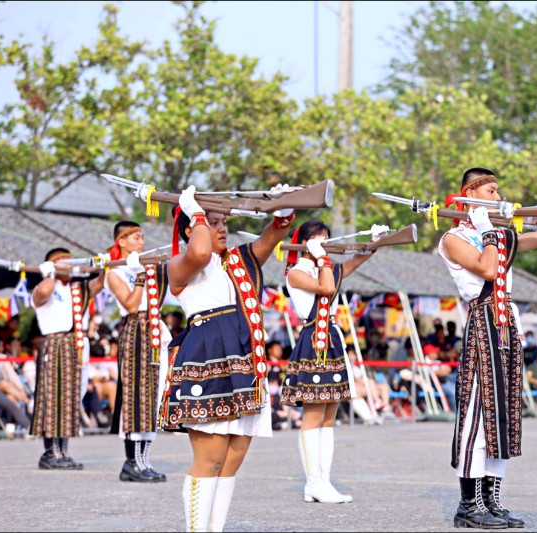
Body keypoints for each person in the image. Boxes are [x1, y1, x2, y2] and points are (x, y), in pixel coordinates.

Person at [156, 184, 294, 532]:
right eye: (211, 222)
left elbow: (274, 234)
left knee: (233, 458)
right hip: (207, 358)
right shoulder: (178, 264)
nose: (220, 228)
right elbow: (200, 253)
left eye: (223, 222)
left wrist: (281, 209)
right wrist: (195, 211)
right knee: (210, 458)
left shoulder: (238, 261)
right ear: (190, 228)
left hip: (243, 360)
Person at [440, 167, 537, 529]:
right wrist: (489, 229)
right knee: (476, 414)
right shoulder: (453, 237)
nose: (497, 196)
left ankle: (492, 500)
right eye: (490, 190)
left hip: (506, 323)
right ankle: (468, 505)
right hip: (483, 320)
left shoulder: (499, 234)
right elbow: (488, 269)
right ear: (470, 193)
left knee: (502, 415)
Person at [280, 218, 385, 503]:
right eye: (318, 238)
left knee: (329, 416)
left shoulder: (322, 267)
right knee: (313, 416)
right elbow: (326, 289)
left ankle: (322, 481)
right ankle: (314, 481)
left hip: (331, 337)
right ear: (305, 243)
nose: (324, 242)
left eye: (326, 237)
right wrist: (322, 257)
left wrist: (374, 243)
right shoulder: (297, 272)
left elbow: (353, 263)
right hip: (314, 338)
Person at [104, 220, 173, 482]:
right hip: (136, 329)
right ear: (120, 241)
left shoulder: (143, 266)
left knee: (152, 397)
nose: (141, 242)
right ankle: (131, 462)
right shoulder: (116, 272)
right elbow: (132, 305)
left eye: (142, 237)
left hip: (154, 329)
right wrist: (142, 276)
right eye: (135, 237)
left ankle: (144, 460)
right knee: (136, 397)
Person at [30, 247, 105, 469]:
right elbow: (43, 293)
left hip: (75, 344)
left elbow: (98, 284)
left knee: (70, 400)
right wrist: (50, 272)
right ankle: (50, 452)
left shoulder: (77, 289)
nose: (70, 265)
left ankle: (63, 451)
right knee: (52, 399)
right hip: (54, 344)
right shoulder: (45, 285)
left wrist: (105, 267)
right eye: (63, 261)